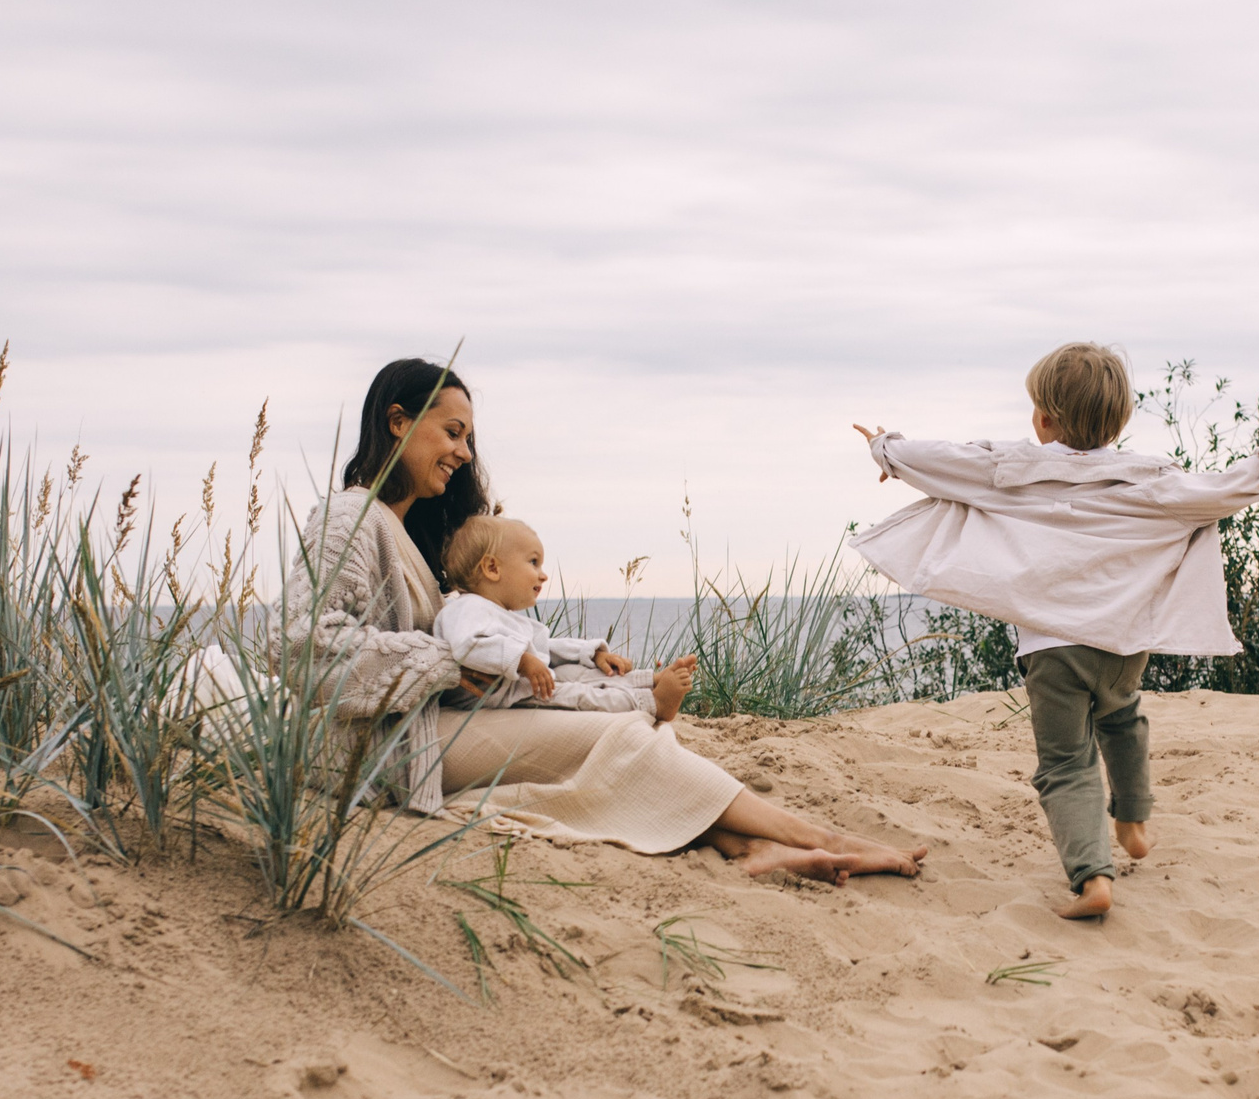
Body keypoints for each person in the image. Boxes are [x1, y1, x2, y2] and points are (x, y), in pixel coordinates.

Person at [282, 357, 926, 884]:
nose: (462, 452)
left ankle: (744, 845)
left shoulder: (406, 531)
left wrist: (563, 656)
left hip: (437, 723)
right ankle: (822, 838)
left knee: (622, 728)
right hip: (385, 746)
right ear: (398, 422)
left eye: (468, 438)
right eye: (451, 432)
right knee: (618, 736)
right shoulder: (348, 518)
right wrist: (448, 662)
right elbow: (306, 647)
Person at [851, 341, 1259, 919]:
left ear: (1043, 420)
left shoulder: (1012, 471)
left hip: (1053, 651)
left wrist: (885, 447)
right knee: (1121, 716)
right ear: (1119, 423)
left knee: (1066, 763)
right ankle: (1135, 819)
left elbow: (944, 461)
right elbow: (1222, 490)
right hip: (1123, 647)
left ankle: (1093, 877)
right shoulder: (1151, 482)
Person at [433, 514, 697, 724]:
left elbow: (545, 647)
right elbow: (467, 645)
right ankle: (652, 704)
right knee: (577, 696)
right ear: (492, 568)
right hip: (504, 695)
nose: (542, 575)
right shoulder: (464, 609)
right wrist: (523, 660)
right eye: (533, 563)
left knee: (577, 672)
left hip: (520, 682)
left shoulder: (498, 613)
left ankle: (648, 680)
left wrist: (592, 654)